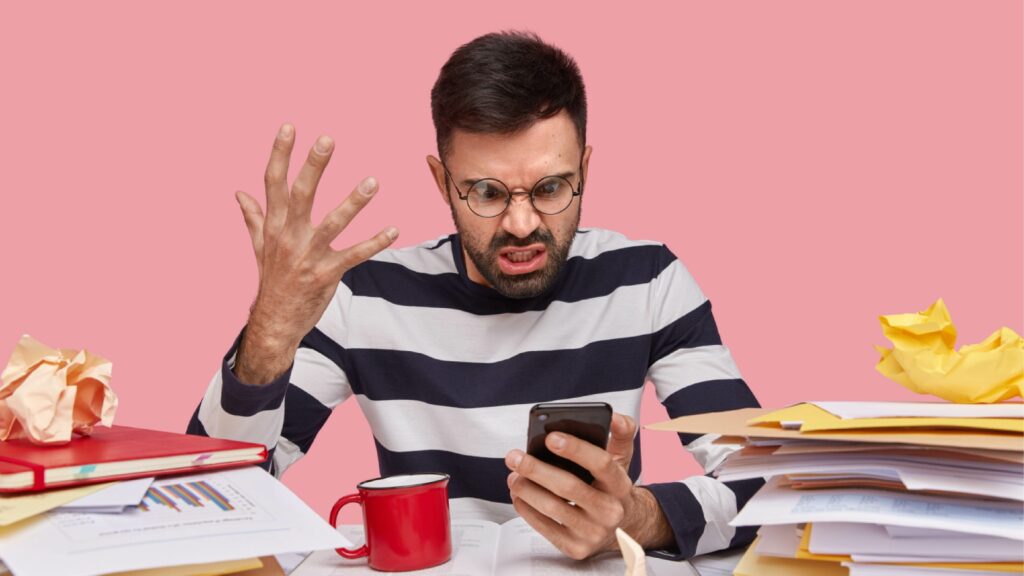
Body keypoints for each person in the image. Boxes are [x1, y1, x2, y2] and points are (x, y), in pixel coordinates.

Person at [187, 31, 762, 562]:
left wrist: (640, 517)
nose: (520, 223)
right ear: (442, 182)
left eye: (551, 188)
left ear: (585, 168)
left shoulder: (649, 281)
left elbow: (769, 487)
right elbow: (217, 493)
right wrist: (271, 332)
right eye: (486, 191)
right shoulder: (362, 295)